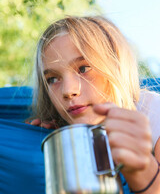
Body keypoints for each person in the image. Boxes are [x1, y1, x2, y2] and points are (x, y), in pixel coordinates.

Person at [28, 16, 160, 193]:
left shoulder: (153, 112)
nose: (68, 91)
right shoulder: (62, 133)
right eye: (53, 79)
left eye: (83, 69)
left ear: (117, 65)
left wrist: (144, 173)